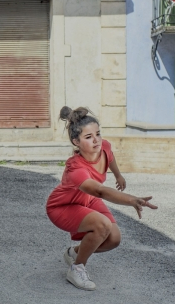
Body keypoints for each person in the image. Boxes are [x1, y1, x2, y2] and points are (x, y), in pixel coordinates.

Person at [46, 107, 157, 291]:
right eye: (88, 137)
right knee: (103, 225)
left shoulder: (103, 146)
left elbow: (110, 157)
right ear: (76, 141)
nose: (96, 140)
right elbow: (100, 191)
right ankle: (77, 268)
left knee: (114, 239)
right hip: (63, 206)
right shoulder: (76, 169)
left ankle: (73, 253)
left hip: (86, 200)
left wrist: (118, 176)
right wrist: (131, 200)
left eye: (97, 134)